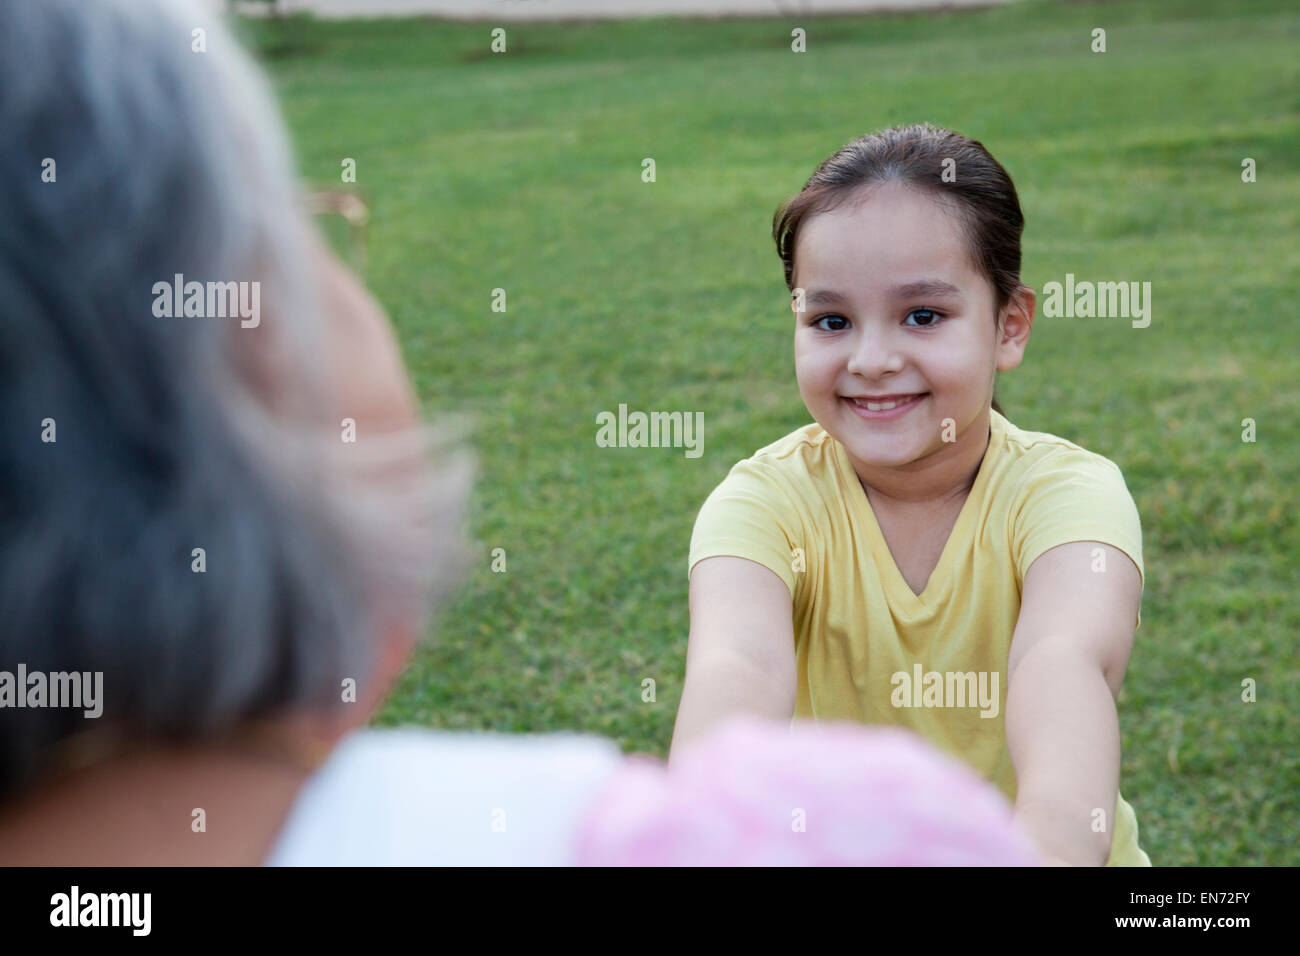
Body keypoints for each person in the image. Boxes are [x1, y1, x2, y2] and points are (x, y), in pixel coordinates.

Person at [672, 123, 1152, 866]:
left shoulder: (1069, 499)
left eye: (923, 316)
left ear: (1009, 326)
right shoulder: (761, 508)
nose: (871, 360)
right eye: (831, 321)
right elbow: (738, 673)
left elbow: (1061, 664)